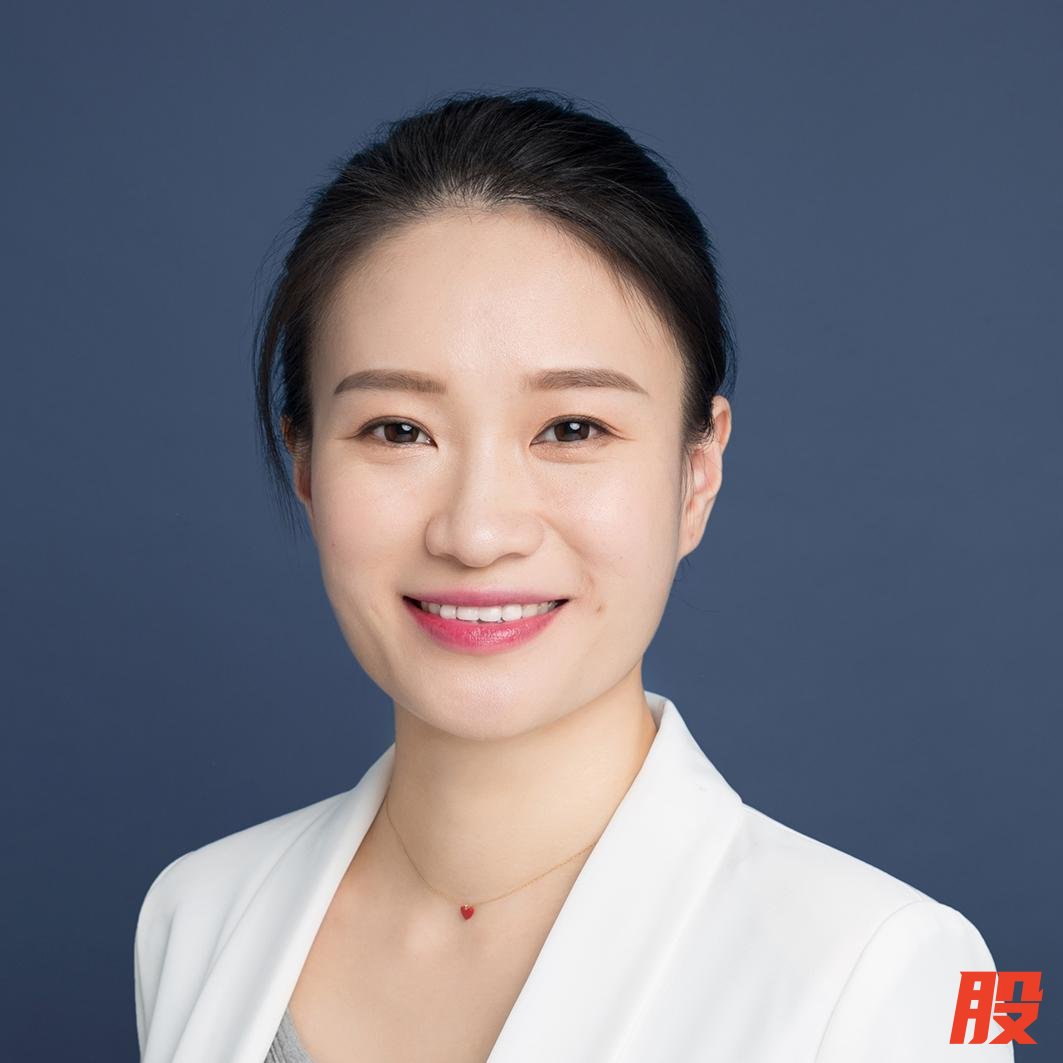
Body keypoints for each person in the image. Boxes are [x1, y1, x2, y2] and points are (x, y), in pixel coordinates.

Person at [133, 90, 1012, 1063]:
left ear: (696, 473)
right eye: (398, 429)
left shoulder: (903, 971)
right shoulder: (195, 917)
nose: (477, 532)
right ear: (304, 464)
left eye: (572, 428)